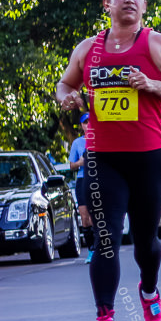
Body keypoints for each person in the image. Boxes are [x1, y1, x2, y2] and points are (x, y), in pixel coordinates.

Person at [56, 0, 161, 321]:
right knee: (106, 238)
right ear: (108, 4)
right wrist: (68, 98)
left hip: (149, 155)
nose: (129, 0)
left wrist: (152, 85)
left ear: (145, 5)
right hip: (103, 156)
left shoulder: (158, 44)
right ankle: (105, 319)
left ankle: (149, 291)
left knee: (146, 241)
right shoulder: (88, 49)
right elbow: (64, 85)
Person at [68, 113, 96, 263]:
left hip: (98, 180)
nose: (88, 125)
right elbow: (71, 165)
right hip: (82, 180)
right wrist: (80, 162)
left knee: (96, 217)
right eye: (85, 123)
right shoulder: (77, 143)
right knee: (85, 218)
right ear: (81, 126)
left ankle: (100, 249)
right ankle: (91, 250)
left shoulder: (101, 140)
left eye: (91, 122)